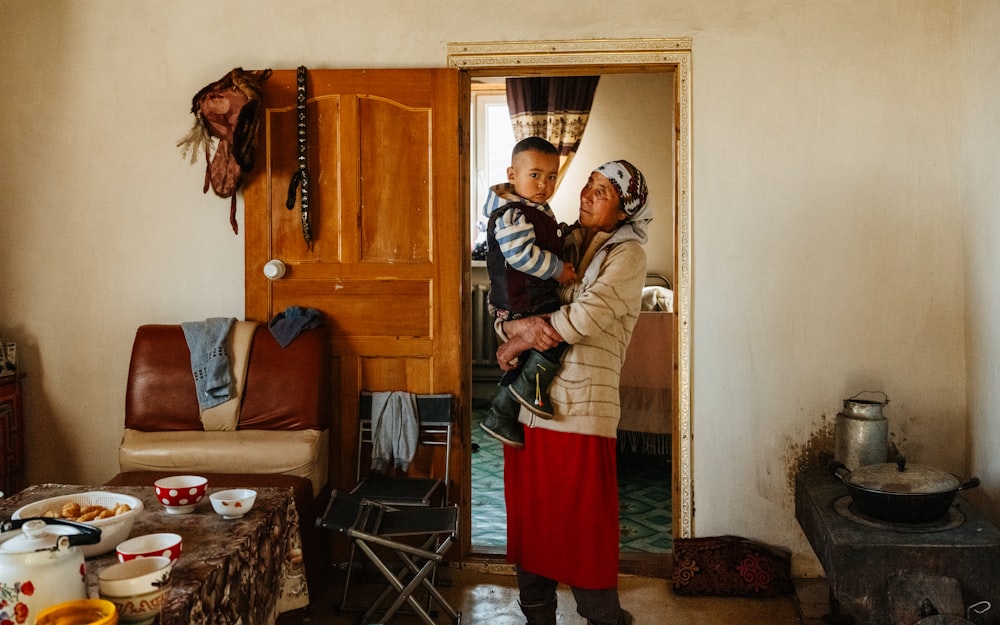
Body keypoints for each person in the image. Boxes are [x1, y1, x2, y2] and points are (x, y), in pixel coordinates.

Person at [497, 160, 650, 625]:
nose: (587, 194)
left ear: (625, 211)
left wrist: (523, 336)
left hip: (582, 412)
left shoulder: (628, 256)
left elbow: (586, 316)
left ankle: (605, 618)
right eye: (590, 184)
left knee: (583, 530)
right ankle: (538, 617)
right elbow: (512, 295)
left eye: (603, 191)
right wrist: (511, 325)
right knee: (532, 522)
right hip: (531, 407)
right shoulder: (559, 242)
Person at [478, 137, 577, 448]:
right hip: (525, 299)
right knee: (556, 334)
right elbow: (521, 257)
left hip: (526, 297)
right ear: (512, 174)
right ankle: (523, 393)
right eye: (534, 175)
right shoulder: (513, 213)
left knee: (528, 354)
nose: (543, 184)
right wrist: (559, 269)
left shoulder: (532, 209)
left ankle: (500, 414)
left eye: (551, 176)